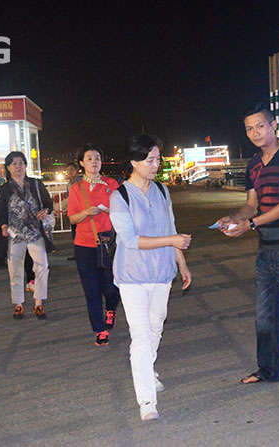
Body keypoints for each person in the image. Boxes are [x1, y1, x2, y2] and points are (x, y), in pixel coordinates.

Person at [216, 103, 279, 404]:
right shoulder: (253, 165)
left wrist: (251, 223)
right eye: (249, 128)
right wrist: (234, 218)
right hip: (265, 251)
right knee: (264, 318)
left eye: (260, 126)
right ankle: (269, 370)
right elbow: (251, 204)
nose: (255, 133)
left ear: (273, 125)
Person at [109, 134, 192, 421]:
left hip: (161, 273)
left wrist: (181, 262)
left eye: (158, 158)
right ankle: (147, 401)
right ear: (134, 162)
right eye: (150, 160)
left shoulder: (162, 191)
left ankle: (149, 369)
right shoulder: (118, 196)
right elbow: (130, 240)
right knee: (141, 336)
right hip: (133, 276)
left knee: (156, 326)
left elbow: (172, 227)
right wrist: (172, 239)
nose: (156, 164)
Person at [67, 144, 121, 346]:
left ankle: (111, 308)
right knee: (91, 289)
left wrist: (107, 210)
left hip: (108, 242)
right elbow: (72, 218)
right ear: (82, 163)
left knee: (111, 286)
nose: (94, 161)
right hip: (84, 245)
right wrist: (87, 212)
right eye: (89, 158)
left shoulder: (111, 184)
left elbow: (122, 210)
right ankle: (99, 329)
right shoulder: (76, 189)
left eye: (97, 157)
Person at [0, 151, 53, 319]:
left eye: (21, 163)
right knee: (15, 269)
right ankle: (18, 304)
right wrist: (3, 226)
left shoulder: (35, 184)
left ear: (26, 165)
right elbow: (0, 209)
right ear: (8, 167)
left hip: (35, 233)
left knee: (42, 266)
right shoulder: (5, 189)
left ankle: (38, 303)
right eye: (14, 163)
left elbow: (48, 202)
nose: (18, 166)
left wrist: (45, 211)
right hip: (15, 235)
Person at [65, 161, 81, 260]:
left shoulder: (80, 182)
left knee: (79, 233)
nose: (69, 172)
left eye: (72, 169)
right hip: (73, 211)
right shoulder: (69, 183)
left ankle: (80, 253)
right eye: (68, 170)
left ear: (76, 171)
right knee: (74, 233)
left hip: (81, 211)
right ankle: (77, 253)